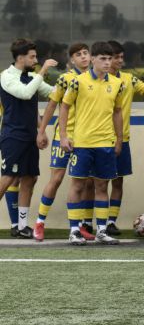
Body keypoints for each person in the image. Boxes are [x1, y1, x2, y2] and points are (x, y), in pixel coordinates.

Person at [59, 41, 125, 246]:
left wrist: (119, 139)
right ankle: (74, 231)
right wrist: (63, 135)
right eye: (103, 59)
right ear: (93, 59)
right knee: (77, 184)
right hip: (82, 143)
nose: (107, 63)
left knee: (102, 185)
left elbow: (117, 112)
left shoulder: (116, 83)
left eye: (110, 59)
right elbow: (64, 107)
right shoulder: (78, 82)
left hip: (105, 143)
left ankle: (102, 231)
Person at [33, 43, 91, 241]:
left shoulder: (96, 78)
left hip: (85, 139)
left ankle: (78, 226)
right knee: (56, 179)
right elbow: (51, 106)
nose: (83, 57)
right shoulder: (66, 79)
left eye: (85, 53)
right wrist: (41, 131)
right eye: (78, 55)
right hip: (62, 138)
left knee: (81, 182)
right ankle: (40, 222)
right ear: (72, 61)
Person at [0, 39, 56, 238]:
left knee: (30, 178)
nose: (36, 60)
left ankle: (21, 226)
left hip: (30, 136)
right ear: (20, 57)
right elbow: (25, 93)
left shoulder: (31, 76)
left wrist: (73, 84)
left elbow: (54, 93)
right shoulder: (6, 76)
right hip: (12, 136)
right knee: (8, 178)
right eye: (32, 56)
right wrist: (42, 73)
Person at [107, 40, 144, 236]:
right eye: (116, 57)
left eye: (121, 57)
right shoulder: (93, 80)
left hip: (122, 139)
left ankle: (110, 221)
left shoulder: (128, 79)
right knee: (93, 183)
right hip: (97, 140)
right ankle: (86, 222)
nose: (120, 60)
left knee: (118, 182)